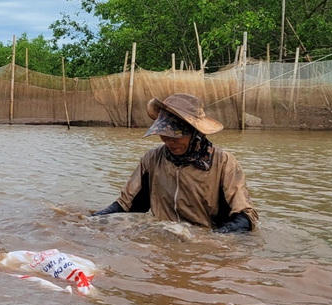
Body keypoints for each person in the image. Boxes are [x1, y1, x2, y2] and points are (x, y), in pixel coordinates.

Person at [91, 93, 257, 233]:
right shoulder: (152, 159)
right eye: (164, 135)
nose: (169, 142)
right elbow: (125, 205)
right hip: (163, 235)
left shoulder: (223, 163)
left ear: (195, 133)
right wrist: (89, 221)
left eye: (176, 136)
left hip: (202, 239)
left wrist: (214, 240)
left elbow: (246, 217)